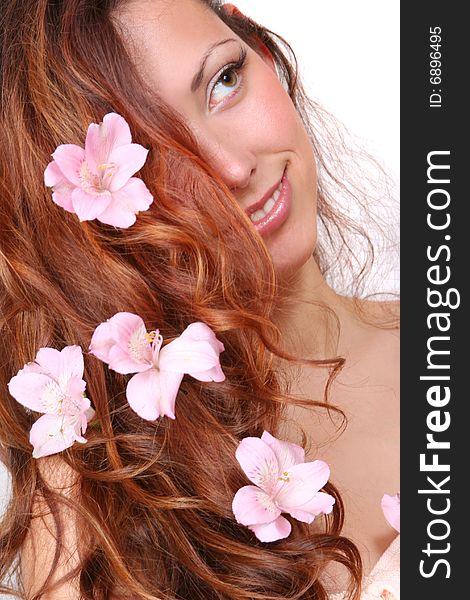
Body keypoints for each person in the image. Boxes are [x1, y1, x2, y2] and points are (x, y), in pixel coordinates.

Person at [0, 1, 399, 598]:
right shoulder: (111, 496)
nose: (233, 168)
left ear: (262, 52)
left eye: (224, 81)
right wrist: (77, 465)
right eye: (157, 152)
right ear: (86, 217)